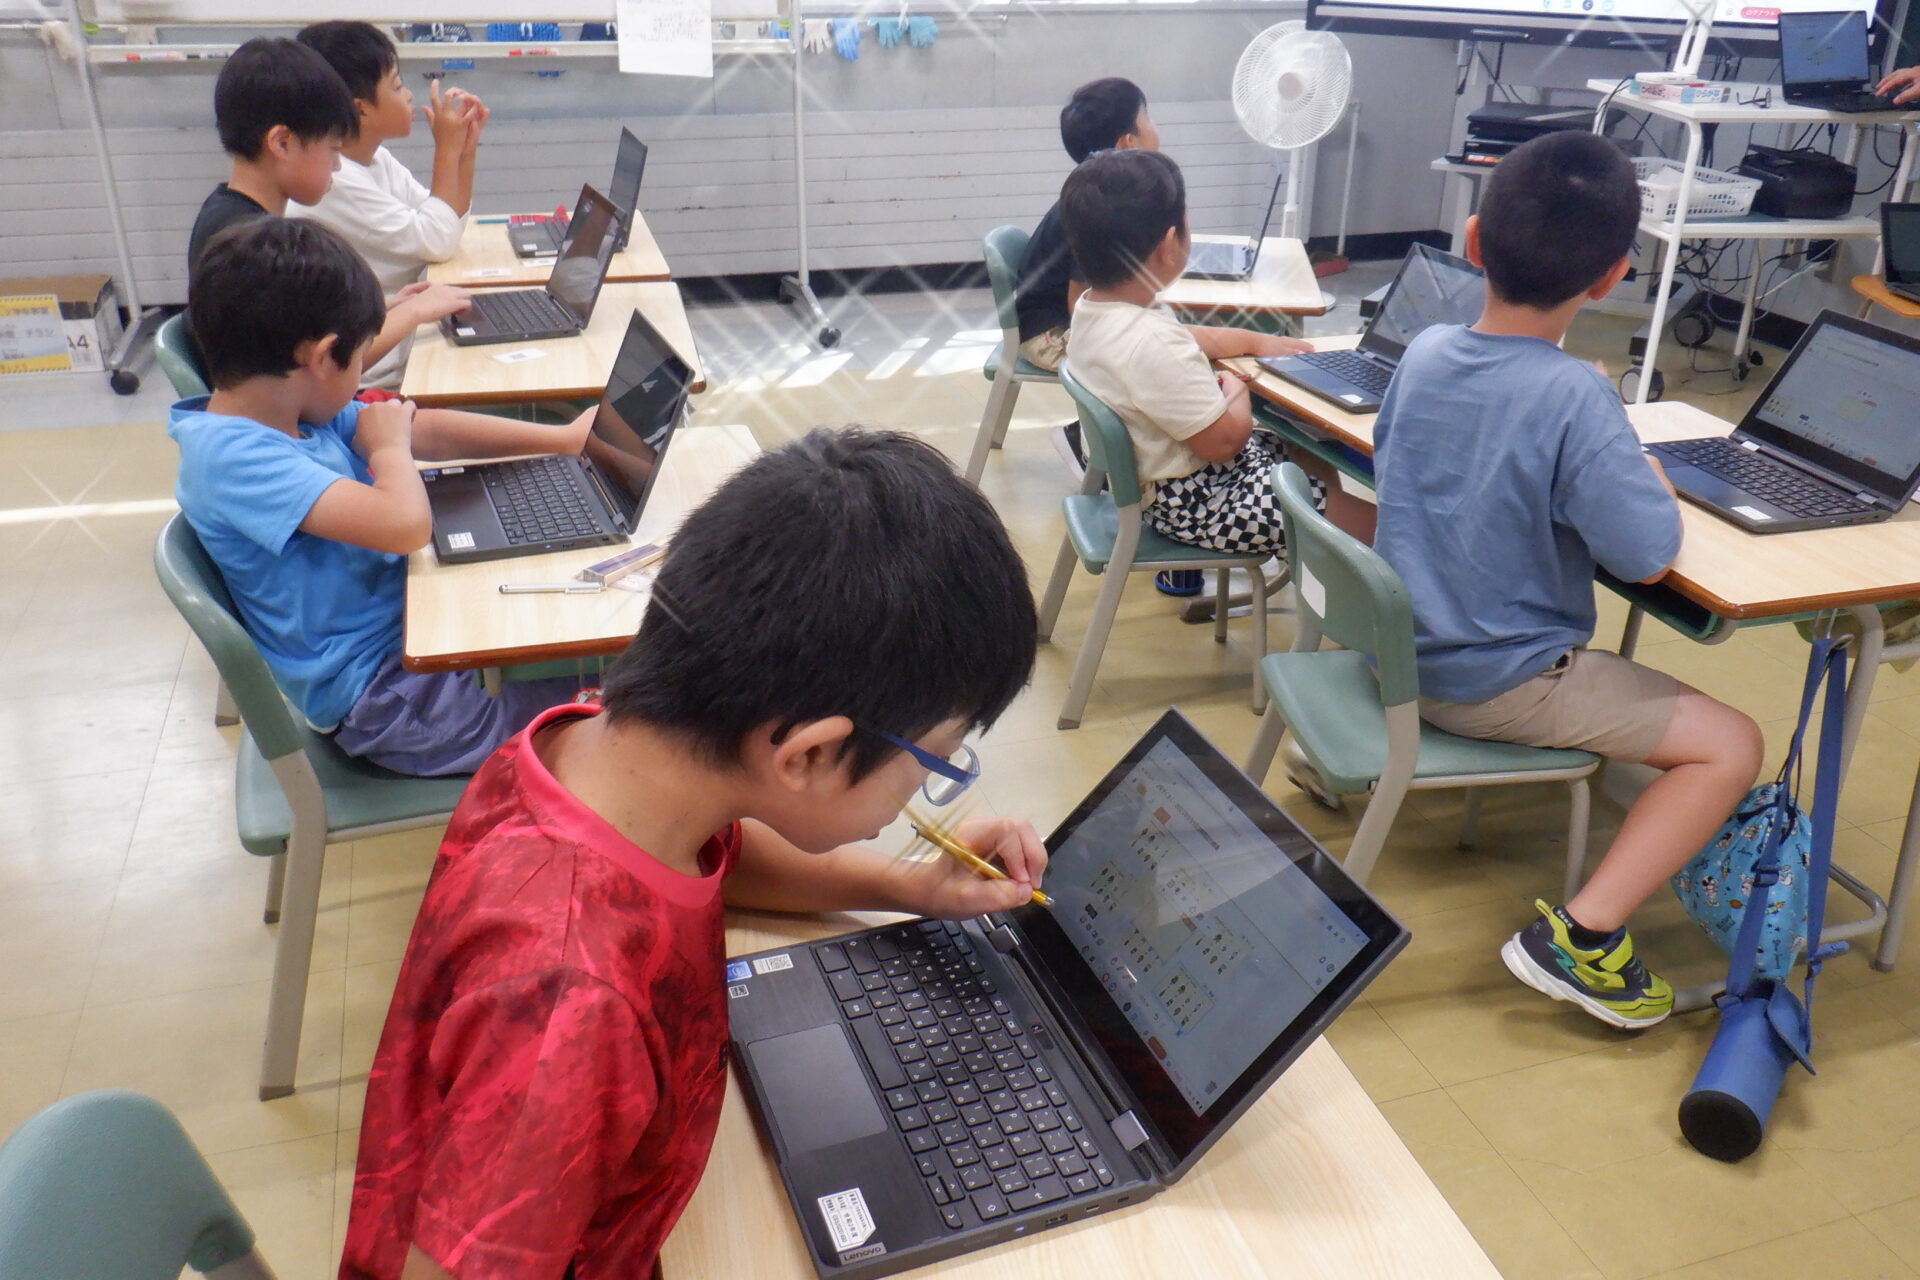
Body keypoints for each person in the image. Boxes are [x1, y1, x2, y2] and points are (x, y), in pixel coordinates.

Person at [338, 428, 1045, 1280]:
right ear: (809, 755)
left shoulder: (611, 758)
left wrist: (915, 888)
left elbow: (721, 857)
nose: (924, 789)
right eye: (934, 762)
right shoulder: (571, 1000)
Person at [1369, 131, 1765, 1030]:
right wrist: (1635, 459)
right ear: (1613, 275)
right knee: (1732, 745)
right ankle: (1583, 937)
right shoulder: (1575, 398)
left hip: (1403, 653)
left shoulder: (1426, 351)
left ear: (1474, 242)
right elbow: (1645, 556)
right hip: (1498, 682)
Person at [170, 217, 593, 776]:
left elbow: (423, 429)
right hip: (395, 703)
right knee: (625, 709)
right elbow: (404, 525)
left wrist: (561, 440)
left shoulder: (289, 410)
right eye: (359, 356)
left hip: (416, 638)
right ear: (323, 357)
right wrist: (390, 449)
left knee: (589, 651)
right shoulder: (232, 457)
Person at [1056, 149, 1352, 563]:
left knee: (1305, 449)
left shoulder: (1098, 309)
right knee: (1374, 523)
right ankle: (1333, 555)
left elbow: (1187, 337)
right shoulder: (1151, 342)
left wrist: (1253, 341)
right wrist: (1237, 390)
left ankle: (1318, 558)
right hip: (1202, 505)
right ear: (1169, 245)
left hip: (1164, 487)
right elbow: (1225, 442)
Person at [188, 37, 470, 377]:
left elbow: (307, 341)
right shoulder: (257, 250)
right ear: (282, 143)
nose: (337, 167)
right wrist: (414, 312)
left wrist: (388, 310)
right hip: (323, 406)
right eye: (333, 150)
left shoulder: (230, 218)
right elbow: (320, 370)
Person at [292, 21, 489, 389]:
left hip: (396, 343)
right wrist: (447, 150)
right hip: (371, 377)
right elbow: (439, 238)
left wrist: (465, 150)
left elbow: (445, 222)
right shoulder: (337, 180)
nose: (409, 95)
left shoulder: (374, 158)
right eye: (397, 86)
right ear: (360, 110)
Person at [1013, 77, 1160, 376]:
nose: (1155, 127)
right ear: (1128, 143)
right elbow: (1079, 302)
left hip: (1063, 320)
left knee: (1160, 339)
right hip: (1048, 335)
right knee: (1151, 357)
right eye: (1147, 118)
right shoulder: (1099, 208)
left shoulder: (1104, 192)